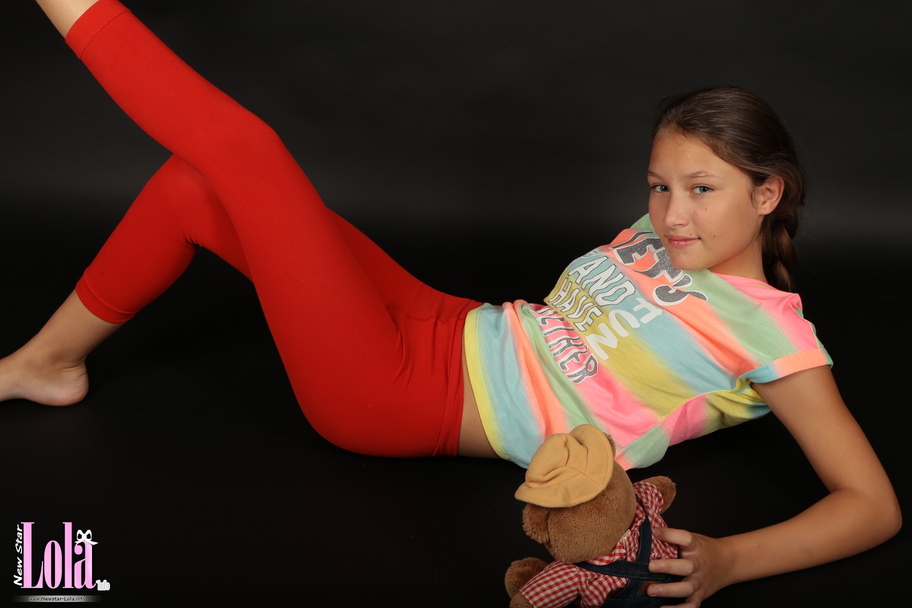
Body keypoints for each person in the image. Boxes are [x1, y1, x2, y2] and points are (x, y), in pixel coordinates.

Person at [0, 1, 899, 605]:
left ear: (768, 194)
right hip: (444, 318)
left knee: (245, 153)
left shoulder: (771, 337)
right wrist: (670, 211)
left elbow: (872, 504)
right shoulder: (665, 232)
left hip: (401, 396)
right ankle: (48, 364)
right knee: (195, 187)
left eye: (702, 190)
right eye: (660, 186)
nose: (671, 213)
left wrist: (732, 560)